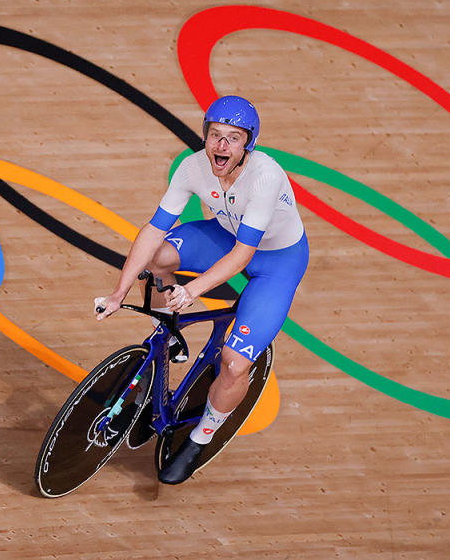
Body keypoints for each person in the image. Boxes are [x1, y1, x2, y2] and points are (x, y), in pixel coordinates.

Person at [94, 95, 309, 485]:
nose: (221, 146)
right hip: (225, 238)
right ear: (205, 136)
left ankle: (200, 438)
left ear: (248, 144)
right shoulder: (193, 168)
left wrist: (192, 290)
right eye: (215, 136)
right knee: (159, 256)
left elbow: (245, 255)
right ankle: (169, 334)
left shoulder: (264, 175)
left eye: (232, 138)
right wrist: (118, 292)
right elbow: (154, 229)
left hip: (275, 262)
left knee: (234, 363)